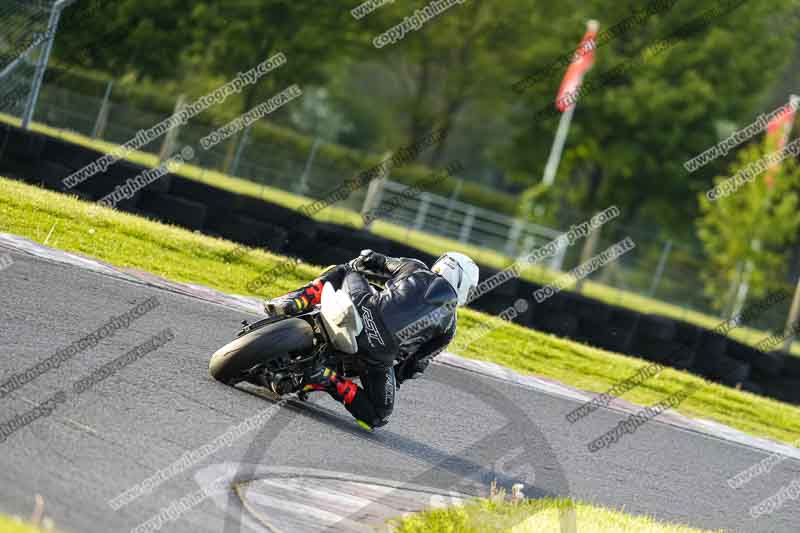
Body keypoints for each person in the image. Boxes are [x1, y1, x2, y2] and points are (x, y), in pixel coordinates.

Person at [263, 250, 479, 430]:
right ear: (462, 285)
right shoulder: (449, 326)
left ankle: (297, 300)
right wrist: (391, 379)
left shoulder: (415, 267)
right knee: (377, 416)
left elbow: (374, 260)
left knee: (345, 271)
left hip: (365, 310)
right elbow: (414, 366)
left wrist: (362, 259)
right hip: (380, 355)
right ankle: (325, 377)